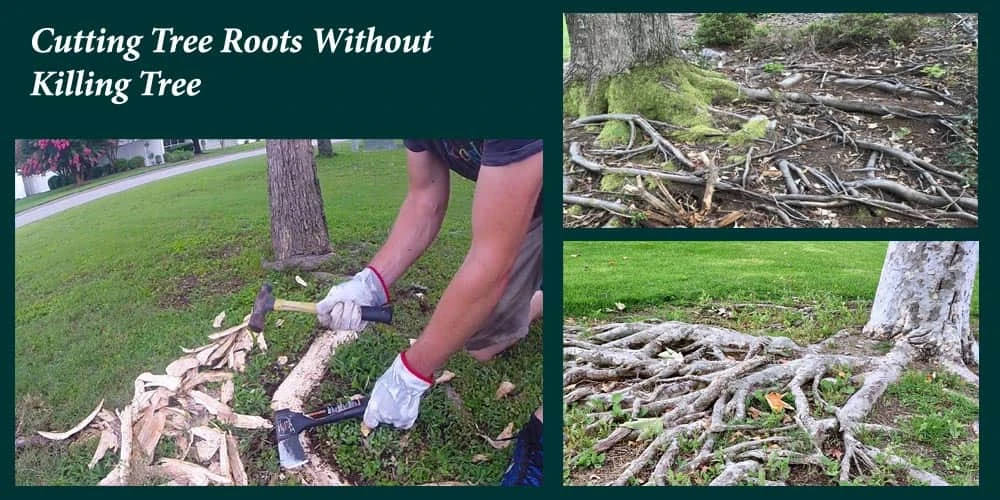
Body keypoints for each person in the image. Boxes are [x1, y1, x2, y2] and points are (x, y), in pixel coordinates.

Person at [316, 140, 544, 486]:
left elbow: (490, 262)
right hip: (522, 206)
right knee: (483, 344)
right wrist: (369, 284)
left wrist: (410, 374)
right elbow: (425, 199)